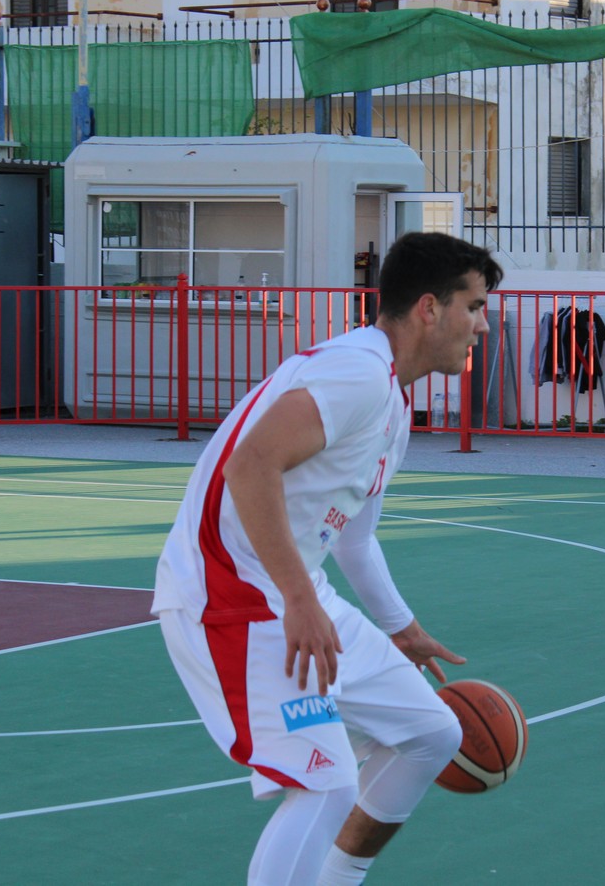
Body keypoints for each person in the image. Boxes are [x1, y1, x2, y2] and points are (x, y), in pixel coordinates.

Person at [152, 231, 502, 885]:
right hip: (230, 592)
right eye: (475, 306)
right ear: (429, 308)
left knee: (432, 733)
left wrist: (401, 627)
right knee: (326, 785)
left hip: (288, 589)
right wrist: (299, 598)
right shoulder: (358, 372)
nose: (483, 325)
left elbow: (353, 537)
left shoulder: (393, 401)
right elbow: (249, 466)